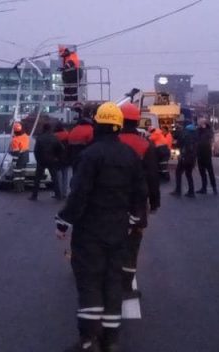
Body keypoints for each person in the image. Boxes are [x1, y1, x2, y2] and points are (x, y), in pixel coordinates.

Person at [56, 102, 148, 352]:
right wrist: (133, 220)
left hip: (90, 232)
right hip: (118, 231)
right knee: (112, 282)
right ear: (118, 126)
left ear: (97, 124)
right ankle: (111, 340)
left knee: (89, 283)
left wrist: (64, 221)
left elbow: (79, 193)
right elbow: (140, 193)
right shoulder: (129, 155)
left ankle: (88, 341)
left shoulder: (90, 155)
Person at [117, 103, 162, 299]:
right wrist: (155, 202)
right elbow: (153, 177)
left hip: (111, 201)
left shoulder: (111, 142)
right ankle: (126, 287)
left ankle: (108, 280)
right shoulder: (145, 145)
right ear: (137, 121)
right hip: (136, 202)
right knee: (133, 243)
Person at [32, 123, 65, 200]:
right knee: (55, 178)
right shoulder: (54, 137)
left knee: (37, 179)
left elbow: (36, 151)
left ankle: (34, 195)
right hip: (52, 160)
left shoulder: (40, 138)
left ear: (44, 129)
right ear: (50, 129)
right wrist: (57, 157)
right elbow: (61, 148)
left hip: (41, 160)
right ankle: (58, 195)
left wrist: (38, 160)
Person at [170, 124, 197, 198]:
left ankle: (178, 190)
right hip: (192, 158)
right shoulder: (195, 136)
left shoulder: (185, 135)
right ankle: (191, 192)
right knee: (189, 174)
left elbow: (178, 144)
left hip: (185, 157)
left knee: (178, 172)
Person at [196, 117, 218, 195]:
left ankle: (214, 188)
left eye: (199, 122)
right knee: (202, 172)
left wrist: (203, 129)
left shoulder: (208, 130)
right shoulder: (198, 130)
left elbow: (206, 139)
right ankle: (204, 188)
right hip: (200, 153)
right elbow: (197, 140)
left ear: (203, 123)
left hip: (206, 153)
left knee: (210, 171)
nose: (198, 124)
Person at [10, 122, 31, 193]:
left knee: (17, 175)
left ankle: (17, 189)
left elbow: (16, 152)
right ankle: (22, 188)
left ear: (14, 131)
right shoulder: (26, 136)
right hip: (26, 158)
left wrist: (14, 162)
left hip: (19, 159)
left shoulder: (15, 140)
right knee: (22, 174)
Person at [54, 123, 71, 197]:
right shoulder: (68, 135)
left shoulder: (54, 136)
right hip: (66, 158)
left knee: (58, 176)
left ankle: (59, 193)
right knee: (65, 176)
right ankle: (65, 192)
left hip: (57, 159)